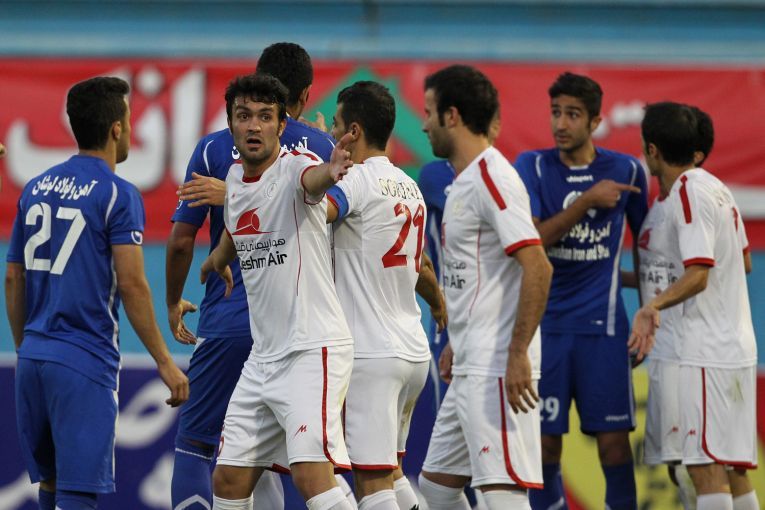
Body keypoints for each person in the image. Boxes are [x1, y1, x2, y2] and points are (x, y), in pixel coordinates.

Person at [166, 41, 351, 509]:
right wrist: (218, 258)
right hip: (263, 350)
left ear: (281, 121)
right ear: (232, 121)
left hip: (300, 341)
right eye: (245, 116)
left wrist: (330, 171)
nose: (253, 125)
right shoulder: (237, 176)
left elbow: (308, 185)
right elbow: (247, 209)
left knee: (301, 471)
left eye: (265, 116)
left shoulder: (297, 164)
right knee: (233, 477)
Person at [5, 76, 189, 510]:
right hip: (84, 360)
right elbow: (132, 284)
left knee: (50, 486)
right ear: (116, 129)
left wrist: (28, 347)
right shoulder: (118, 194)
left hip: (32, 359)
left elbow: (13, 278)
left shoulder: (35, 187)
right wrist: (165, 361)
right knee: (77, 494)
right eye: (130, 119)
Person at [417, 64, 552, 510]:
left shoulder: (494, 177)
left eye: (429, 112)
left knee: (501, 495)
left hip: (497, 366)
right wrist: (458, 340)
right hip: (471, 361)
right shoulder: (464, 181)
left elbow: (538, 267)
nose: (424, 124)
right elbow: (479, 275)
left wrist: (517, 354)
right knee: (436, 491)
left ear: (452, 116)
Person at [513, 72, 647, 510]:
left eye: (572, 114)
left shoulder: (626, 171)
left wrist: (648, 313)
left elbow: (646, 247)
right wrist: (587, 201)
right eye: (556, 112)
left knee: (614, 446)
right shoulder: (532, 166)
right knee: (544, 447)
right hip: (547, 330)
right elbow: (533, 239)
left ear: (594, 122)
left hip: (603, 332)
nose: (561, 123)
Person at [631, 102, 758, 510]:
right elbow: (743, 261)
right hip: (724, 349)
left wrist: (652, 307)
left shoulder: (688, 190)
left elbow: (700, 272)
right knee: (729, 469)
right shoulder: (715, 190)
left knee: (701, 468)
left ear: (652, 149)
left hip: (701, 352)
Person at [324, 80, 445, 510]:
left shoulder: (355, 181)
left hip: (371, 354)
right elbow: (421, 265)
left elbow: (314, 211)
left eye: (335, 125)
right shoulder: (409, 187)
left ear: (353, 131)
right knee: (391, 473)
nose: (331, 134)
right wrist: (437, 302)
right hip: (411, 349)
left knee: (371, 482)